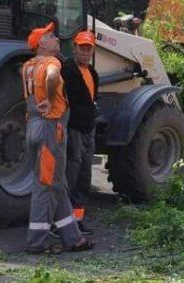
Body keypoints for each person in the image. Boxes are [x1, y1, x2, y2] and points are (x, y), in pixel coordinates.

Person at [22, 24, 92, 254]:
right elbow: (52, 77)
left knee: (56, 183)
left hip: (33, 126)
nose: (56, 39)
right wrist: (52, 99)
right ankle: (36, 242)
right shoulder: (52, 63)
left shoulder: (28, 66)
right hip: (50, 129)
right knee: (45, 186)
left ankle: (73, 238)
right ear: (41, 43)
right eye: (51, 37)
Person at [63, 30, 99, 234]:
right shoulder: (67, 70)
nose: (85, 52)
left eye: (88, 49)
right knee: (72, 175)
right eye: (81, 48)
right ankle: (63, 222)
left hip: (88, 129)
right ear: (74, 48)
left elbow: (92, 100)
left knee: (84, 177)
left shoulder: (92, 73)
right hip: (74, 129)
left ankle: (77, 221)